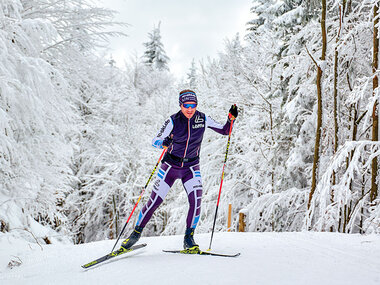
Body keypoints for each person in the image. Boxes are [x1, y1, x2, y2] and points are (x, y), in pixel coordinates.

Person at [121, 89, 238, 251]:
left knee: (196, 200)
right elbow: (155, 140)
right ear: (180, 105)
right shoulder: (173, 121)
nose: (190, 109)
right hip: (170, 167)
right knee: (155, 201)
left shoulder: (202, 118)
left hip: (191, 167)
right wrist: (164, 143)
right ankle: (135, 234)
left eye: (193, 105)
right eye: (186, 105)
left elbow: (225, 131)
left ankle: (189, 239)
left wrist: (230, 119)